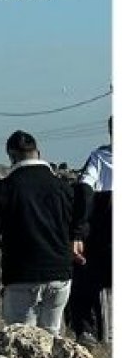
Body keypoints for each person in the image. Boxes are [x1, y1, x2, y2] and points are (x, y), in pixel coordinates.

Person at [0, 131, 84, 335]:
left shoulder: (4, 189)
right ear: (38, 152)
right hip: (59, 273)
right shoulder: (62, 187)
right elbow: (77, 223)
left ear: (11, 156)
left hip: (21, 275)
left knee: (21, 341)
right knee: (51, 336)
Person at [69, 117, 112, 345]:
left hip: (104, 225)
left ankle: (87, 329)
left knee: (87, 280)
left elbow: (85, 190)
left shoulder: (99, 157)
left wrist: (78, 232)